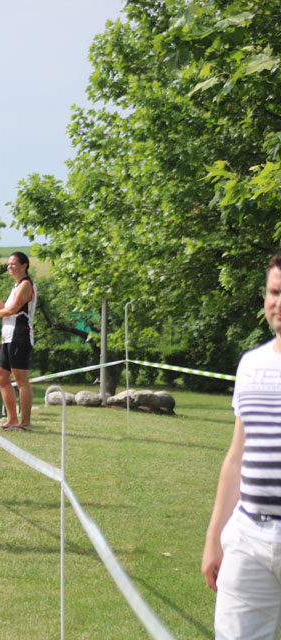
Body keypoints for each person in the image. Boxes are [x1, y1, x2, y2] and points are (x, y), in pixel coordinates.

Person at [202, 252, 281, 639]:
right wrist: (214, 538)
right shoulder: (250, 365)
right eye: (274, 292)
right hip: (248, 536)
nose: (279, 303)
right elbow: (236, 458)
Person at [0, 251, 37, 430]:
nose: (9, 266)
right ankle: (12, 419)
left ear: (24, 265)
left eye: (13, 263)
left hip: (20, 336)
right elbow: (8, 308)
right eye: (8, 263)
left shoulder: (26, 285)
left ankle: (25, 422)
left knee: (21, 380)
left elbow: (12, 310)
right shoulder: (16, 286)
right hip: (8, 338)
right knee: (0, 377)